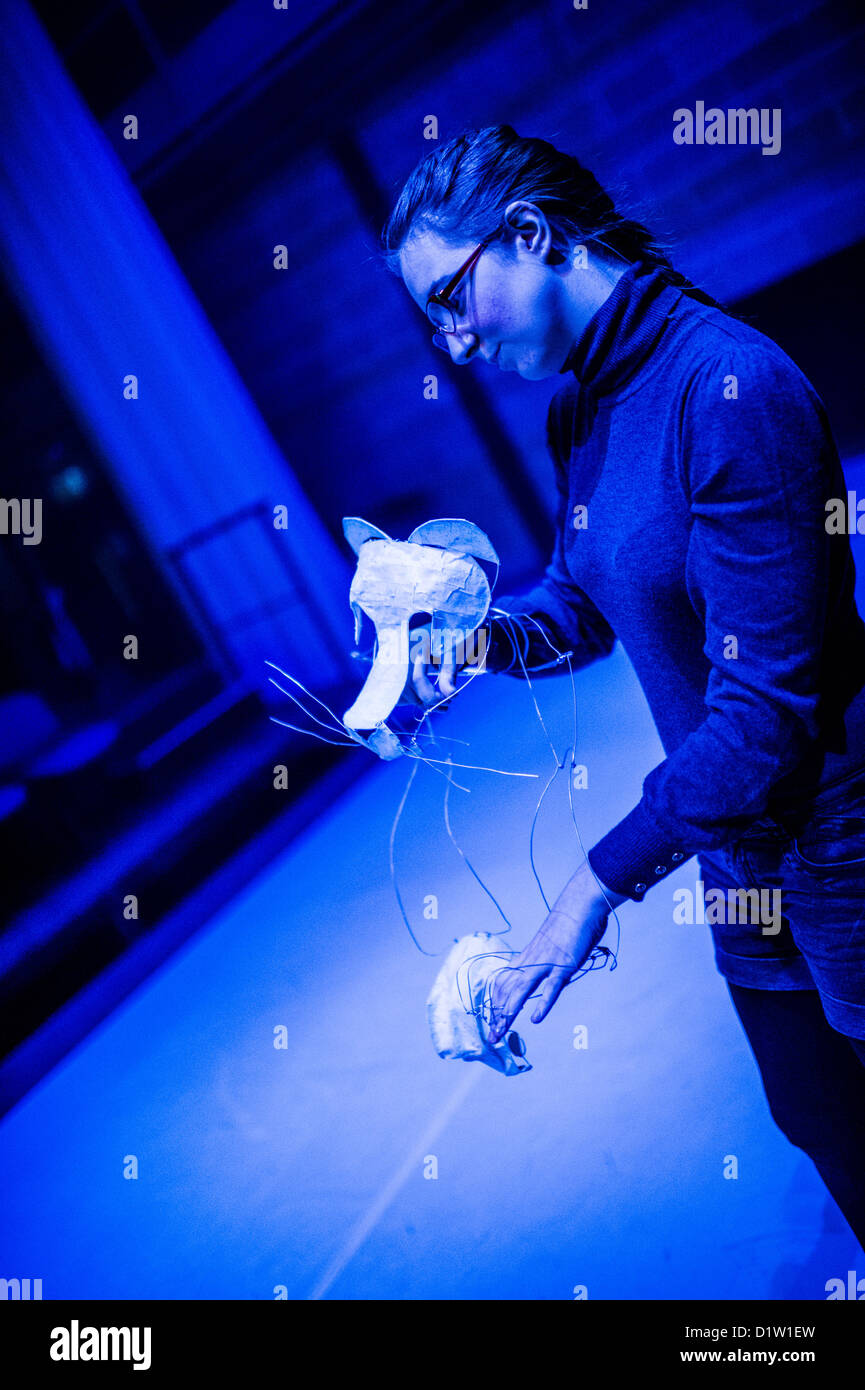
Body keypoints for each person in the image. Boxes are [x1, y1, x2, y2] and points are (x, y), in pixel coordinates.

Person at [380, 124, 865, 1247]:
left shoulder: (727, 387)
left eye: (452, 299)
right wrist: (482, 637)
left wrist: (589, 889)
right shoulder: (579, 409)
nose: (450, 342)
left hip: (840, 837)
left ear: (532, 234)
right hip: (742, 850)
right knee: (817, 1112)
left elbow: (766, 719)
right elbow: (587, 600)